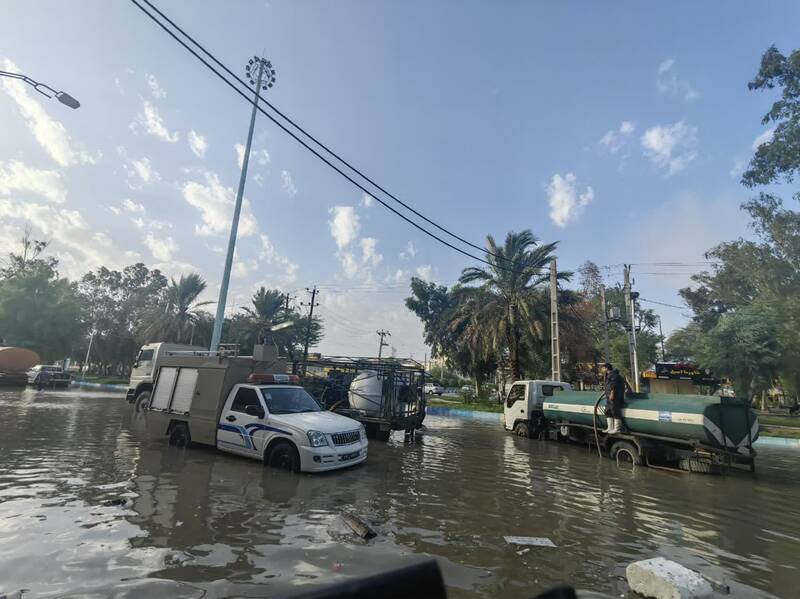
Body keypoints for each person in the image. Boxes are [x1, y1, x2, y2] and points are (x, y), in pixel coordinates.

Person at [601, 363, 626, 434]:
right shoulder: (608, 375)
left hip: (615, 397)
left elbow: (613, 385)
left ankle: (617, 428)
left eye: (603, 368)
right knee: (607, 411)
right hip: (609, 397)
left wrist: (612, 394)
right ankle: (610, 427)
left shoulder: (613, 375)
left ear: (606, 368)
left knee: (615, 411)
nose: (602, 370)